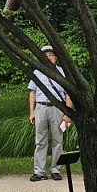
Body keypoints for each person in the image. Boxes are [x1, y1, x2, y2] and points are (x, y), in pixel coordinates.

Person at [28, 45, 72, 182]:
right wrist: (32, 112)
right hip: (41, 107)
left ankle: (55, 169)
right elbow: (32, 93)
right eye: (45, 56)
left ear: (56, 57)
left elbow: (68, 94)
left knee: (57, 140)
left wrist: (67, 113)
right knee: (40, 140)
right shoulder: (37, 72)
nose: (48, 58)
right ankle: (39, 171)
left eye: (50, 55)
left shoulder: (62, 72)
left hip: (57, 108)